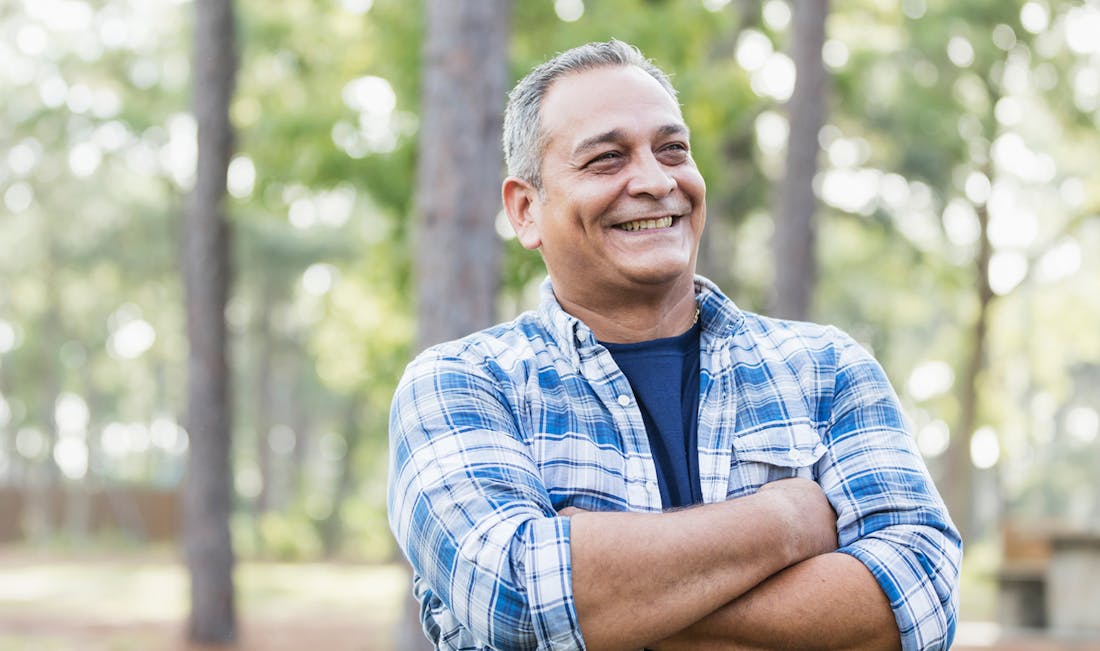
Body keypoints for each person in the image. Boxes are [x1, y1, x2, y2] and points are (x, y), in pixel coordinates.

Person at [388, 40, 961, 651]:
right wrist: (786, 523)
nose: (657, 181)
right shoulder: (461, 384)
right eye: (607, 159)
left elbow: (920, 601)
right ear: (526, 209)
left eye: (673, 150)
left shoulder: (828, 370)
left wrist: (608, 589)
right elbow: (515, 596)